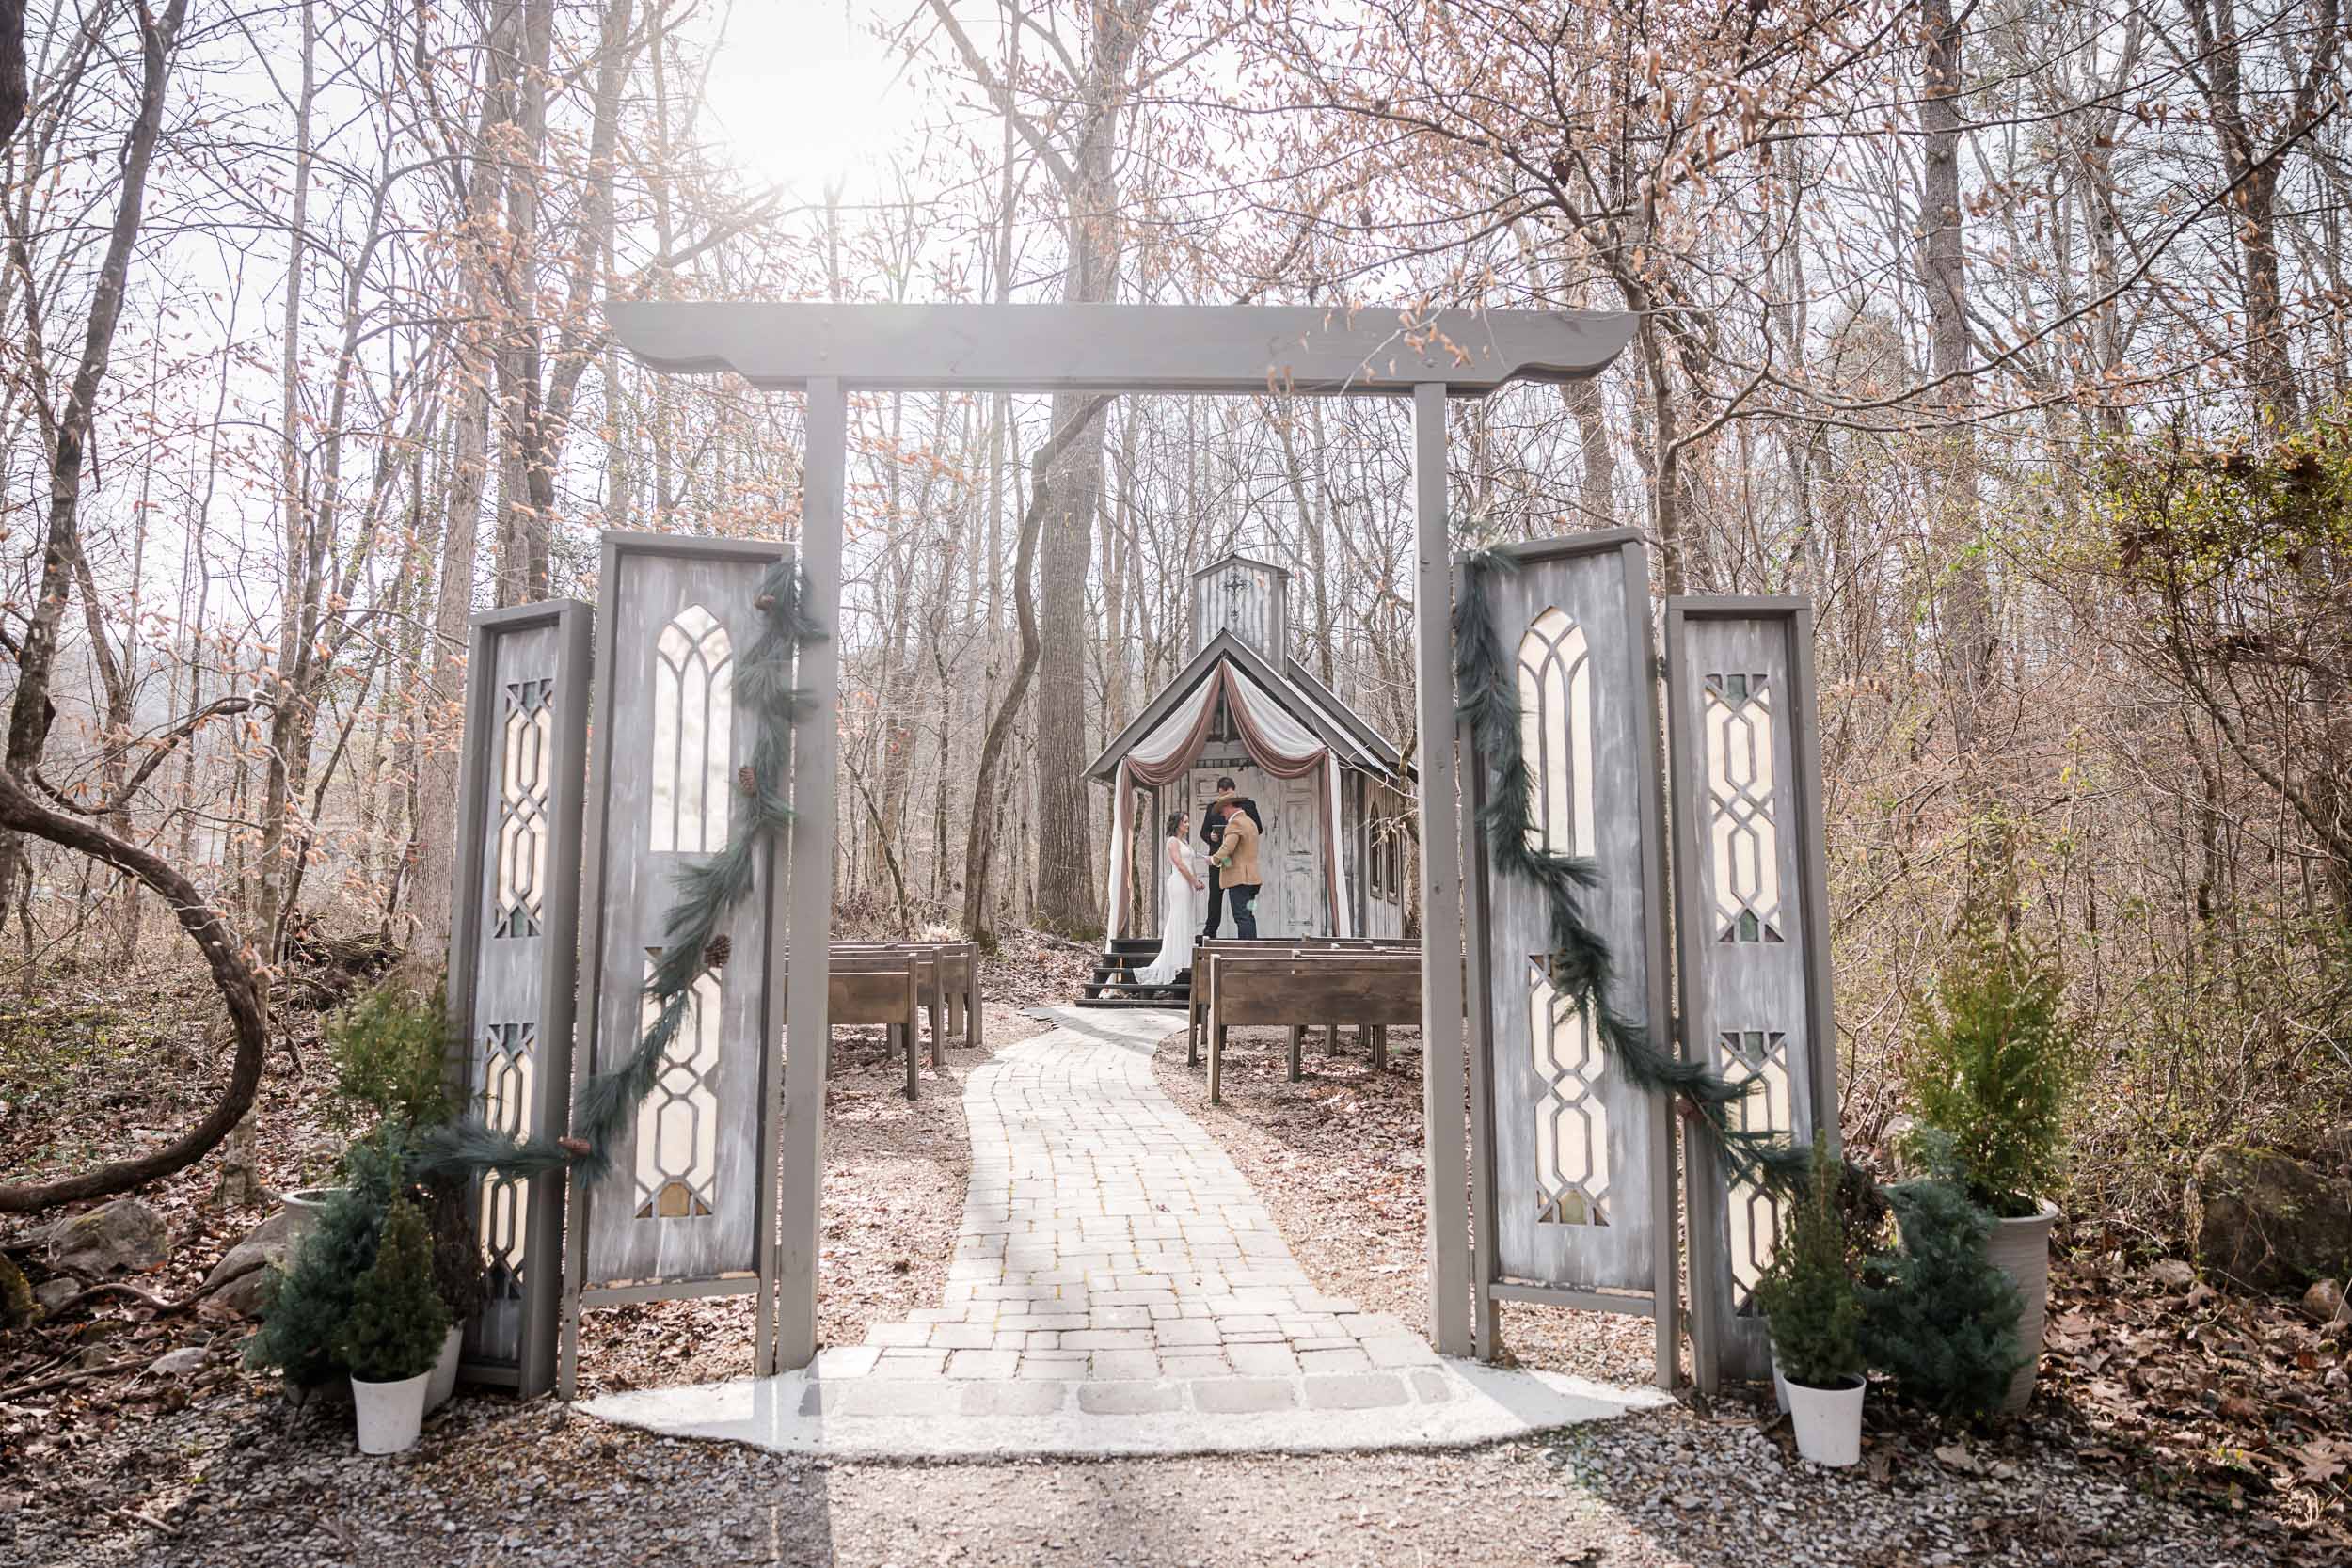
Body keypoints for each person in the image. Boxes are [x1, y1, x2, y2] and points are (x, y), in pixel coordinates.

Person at [1134, 810, 1206, 989]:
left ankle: (1184, 957)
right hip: (1179, 883)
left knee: (1186, 918)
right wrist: (1193, 881)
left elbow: (1191, 863)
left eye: (1188, 821)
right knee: (1178, 917)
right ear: (1177, 824)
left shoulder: (1185, 842)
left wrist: (1196, 880)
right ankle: (1174, 959)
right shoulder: (1172, 841)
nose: (1188, 825)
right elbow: (1180, 864)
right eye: (1185, 822)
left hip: (1188, 884)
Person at [1199, 779, 1263, 938]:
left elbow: (1227, 848)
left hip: (1239, 877)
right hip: (1252, 878)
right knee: (1248, 915)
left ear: (1228, 806)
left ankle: (1246, 951)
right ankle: (1252, 949)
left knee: (1241, 917)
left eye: (1222, 811)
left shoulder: (1235, 824)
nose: (1222, 815)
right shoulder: (1250, 822)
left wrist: (1213, 860)